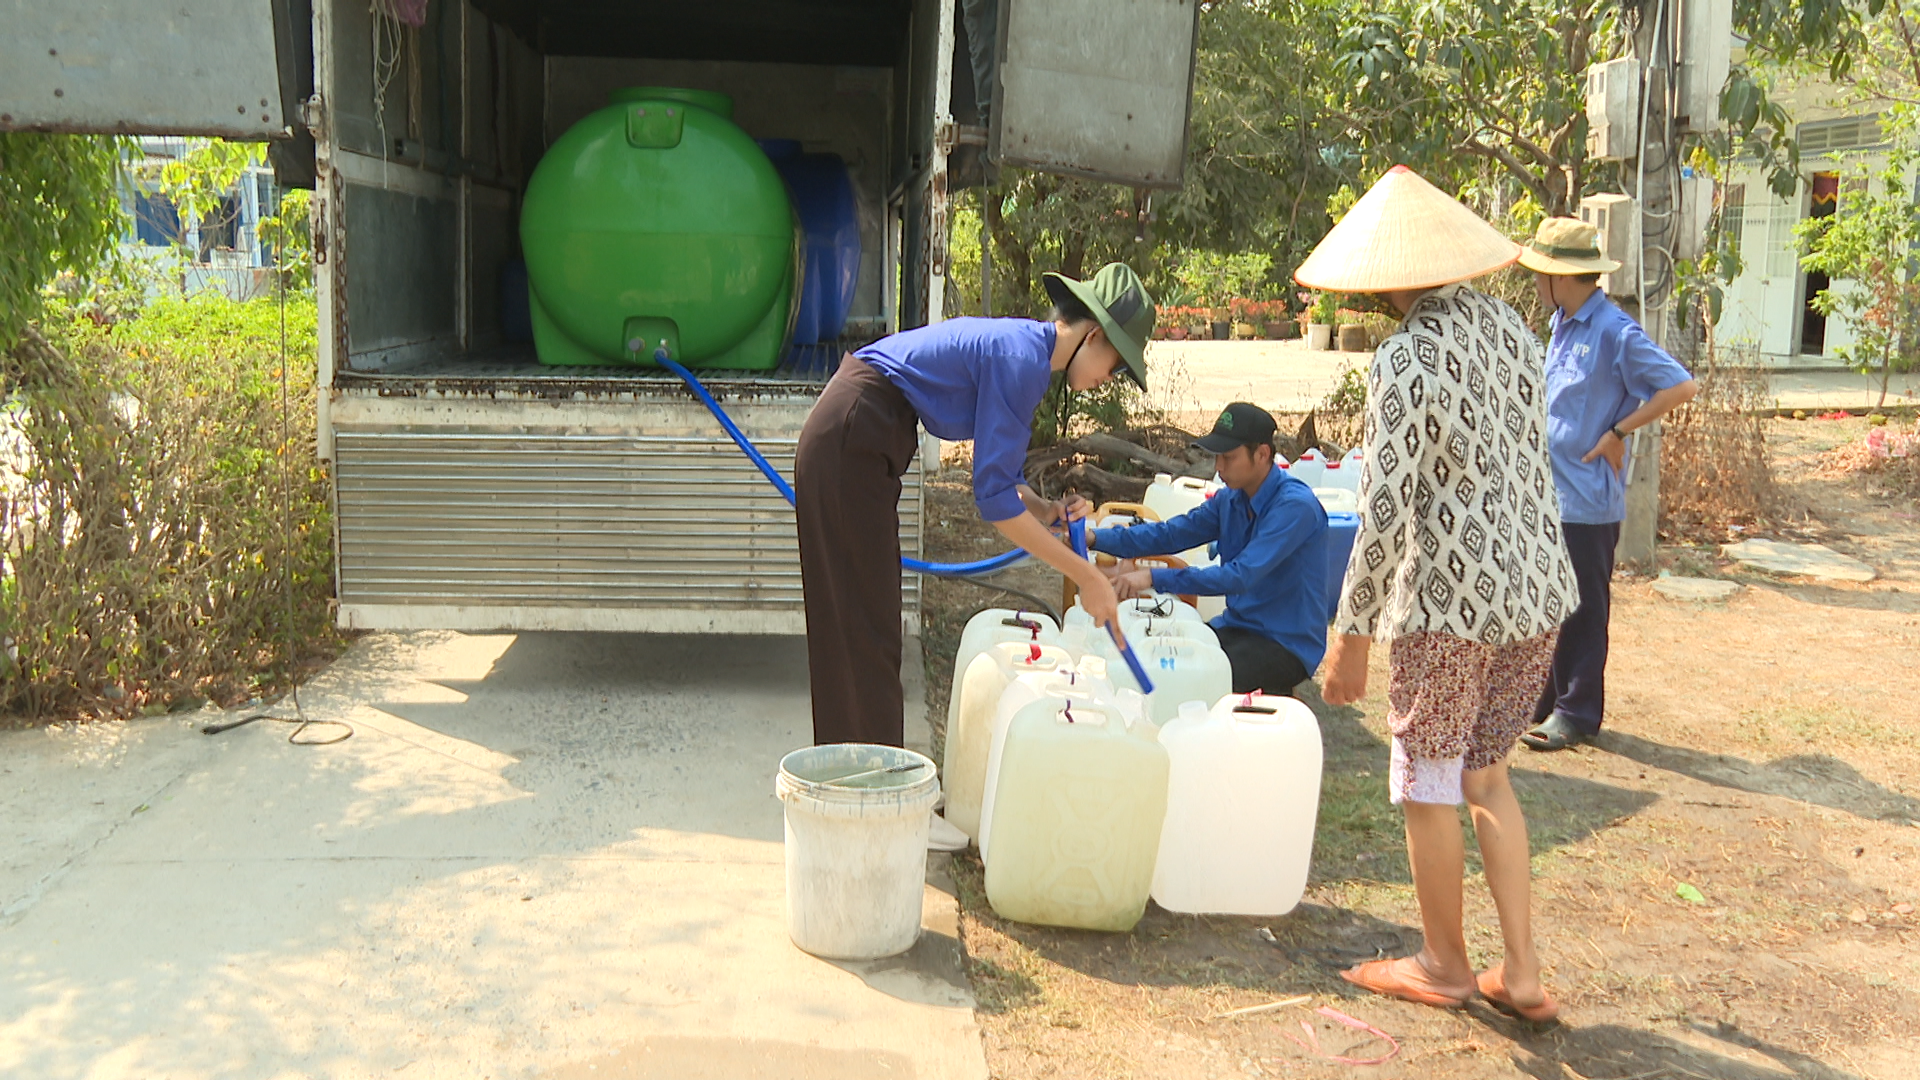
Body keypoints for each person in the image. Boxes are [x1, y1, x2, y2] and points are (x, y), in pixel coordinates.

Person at [1308, 165, 1578, 1022]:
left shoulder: (1407, 353)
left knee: (1426, 776)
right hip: (1535, 591)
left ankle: (1443, 963)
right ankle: (1522, 972)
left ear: (1386, 279)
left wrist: (1350, 631)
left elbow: (1385, 504)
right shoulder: (1512, 328)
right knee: (1487, 775)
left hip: (1452, 604)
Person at [794, 263, 1156, 848]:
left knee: (871, 629)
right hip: (853, 437)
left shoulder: (1027, 356)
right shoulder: (1022, 361)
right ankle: (877, 809)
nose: (1109, 377)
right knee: (859, 630)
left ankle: (878, 799)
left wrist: (1044, 511)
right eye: (1116, 364)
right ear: (1094, 336)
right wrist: (1085, 573)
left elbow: (1003, 482)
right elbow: (991, 502)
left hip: (862, 438)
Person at [1516, 217, 1699, 752]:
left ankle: (1577, 713)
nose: (1535, 284)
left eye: (1541, 275)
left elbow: (1680, 384)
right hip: (1552, 494)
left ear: (1563, 278)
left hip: (1587, 499)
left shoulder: (1615, 331)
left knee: (1583, 607)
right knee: (1552, 599)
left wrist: (1619, 430)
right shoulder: (1563, 323)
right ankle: (1547, 701)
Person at [1086, 402, 1330, 695]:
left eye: (1229, 457)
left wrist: (1153, 578)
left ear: (1262, 454)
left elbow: (1239, 576)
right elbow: (1171, 534)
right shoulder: (1231, 499)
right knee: (1166, 661)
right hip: (1237, 626)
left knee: (1190, 682)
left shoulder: (1294, 507)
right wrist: (1095, 538)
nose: (1218, 467)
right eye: (1217, 457)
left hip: (1285, 643)